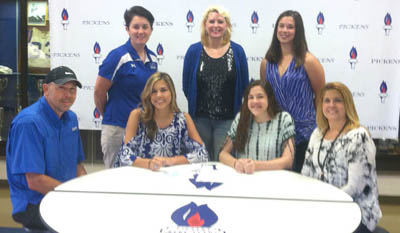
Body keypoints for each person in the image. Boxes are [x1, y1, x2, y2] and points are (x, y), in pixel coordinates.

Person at [6, 66, 87, 231]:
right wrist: (73, 196)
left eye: (72, 89)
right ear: (45, 89)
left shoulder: (70, 118)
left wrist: (87, 191)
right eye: (61, 88)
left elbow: (77, 165)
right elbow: (35, 181)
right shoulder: (28, 123)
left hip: (62, 196)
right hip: (34, 203)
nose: (68, 95)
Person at [301, 82, 381, 233]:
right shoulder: (317, 134)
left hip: (357, 211)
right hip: (324, 207)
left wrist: (324, 204)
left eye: (338, 100)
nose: (331, 105)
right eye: (327, 100)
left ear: (347, 104)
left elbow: (355, 187)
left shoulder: (358, 136)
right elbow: (306, 174)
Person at [260, 10, 325, 173]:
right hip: (276, 131)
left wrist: (321, 128)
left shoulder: (308, 61)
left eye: (290, 27)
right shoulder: (266, 62)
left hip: (304, 133)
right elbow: (265, 97)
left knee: (302, 182)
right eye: (281, 26)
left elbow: (321, 97)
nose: (285, 30)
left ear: (298, 32)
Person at [183, 6, 249, 161]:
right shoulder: (193, 51)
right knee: (200, 161)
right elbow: (187, 86)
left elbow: (244, 86)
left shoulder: (237, 51)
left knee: (223, 162)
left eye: (220, 21)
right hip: (199, 120)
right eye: (211, 21)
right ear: (205, 25)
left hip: (227, 120)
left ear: (226, 26)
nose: (216, 25)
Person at [94, 6, 158, 168]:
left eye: (145, 27)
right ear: (127, 29)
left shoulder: (153, 59)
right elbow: (99, 91)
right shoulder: (118, 56)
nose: (140, 31)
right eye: (135, 27)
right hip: (117, 128)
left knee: (139, 177)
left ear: (151, 30)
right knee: (116, 178)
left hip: (143, 129)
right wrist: (109, 117)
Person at [114, 72, 208, 170]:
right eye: (153, 91)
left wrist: (169, 161)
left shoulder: (183, 119)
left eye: (163, 90)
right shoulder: (137, 116)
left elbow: (202, 154)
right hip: (142, 175)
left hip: (172, 177)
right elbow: (124, 156)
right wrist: (150, 163)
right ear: (148, 95)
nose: (158, 95)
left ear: (172, 92)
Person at [219, 80, 295, 174]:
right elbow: (222, 154)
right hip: (243, 178)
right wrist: (235, 163)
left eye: (260, 97)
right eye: (251, 97)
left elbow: (288, 160)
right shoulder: (240, 118)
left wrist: (256, 166)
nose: (255, 101)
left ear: (269, 98)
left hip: (273, 180)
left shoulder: (284, 119)